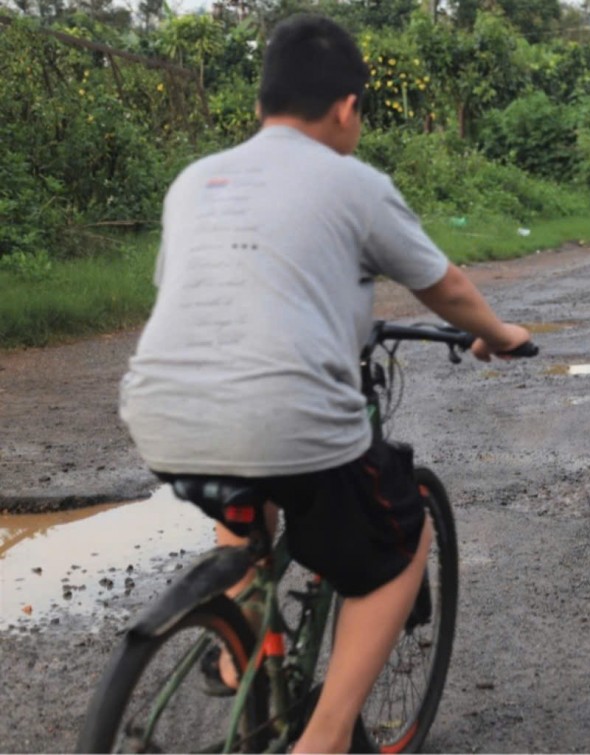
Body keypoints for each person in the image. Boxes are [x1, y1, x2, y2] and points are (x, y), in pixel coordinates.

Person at [118, 14, 531, 753]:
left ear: (260, 107)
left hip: (158, 411)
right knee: (403, 538)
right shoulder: (354, 182)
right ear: (347, 107)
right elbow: (446, 286)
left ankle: (237, 627)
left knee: (248, 489)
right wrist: (500, 335)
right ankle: (328, 735)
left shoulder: (193, 181)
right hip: (286, 418)